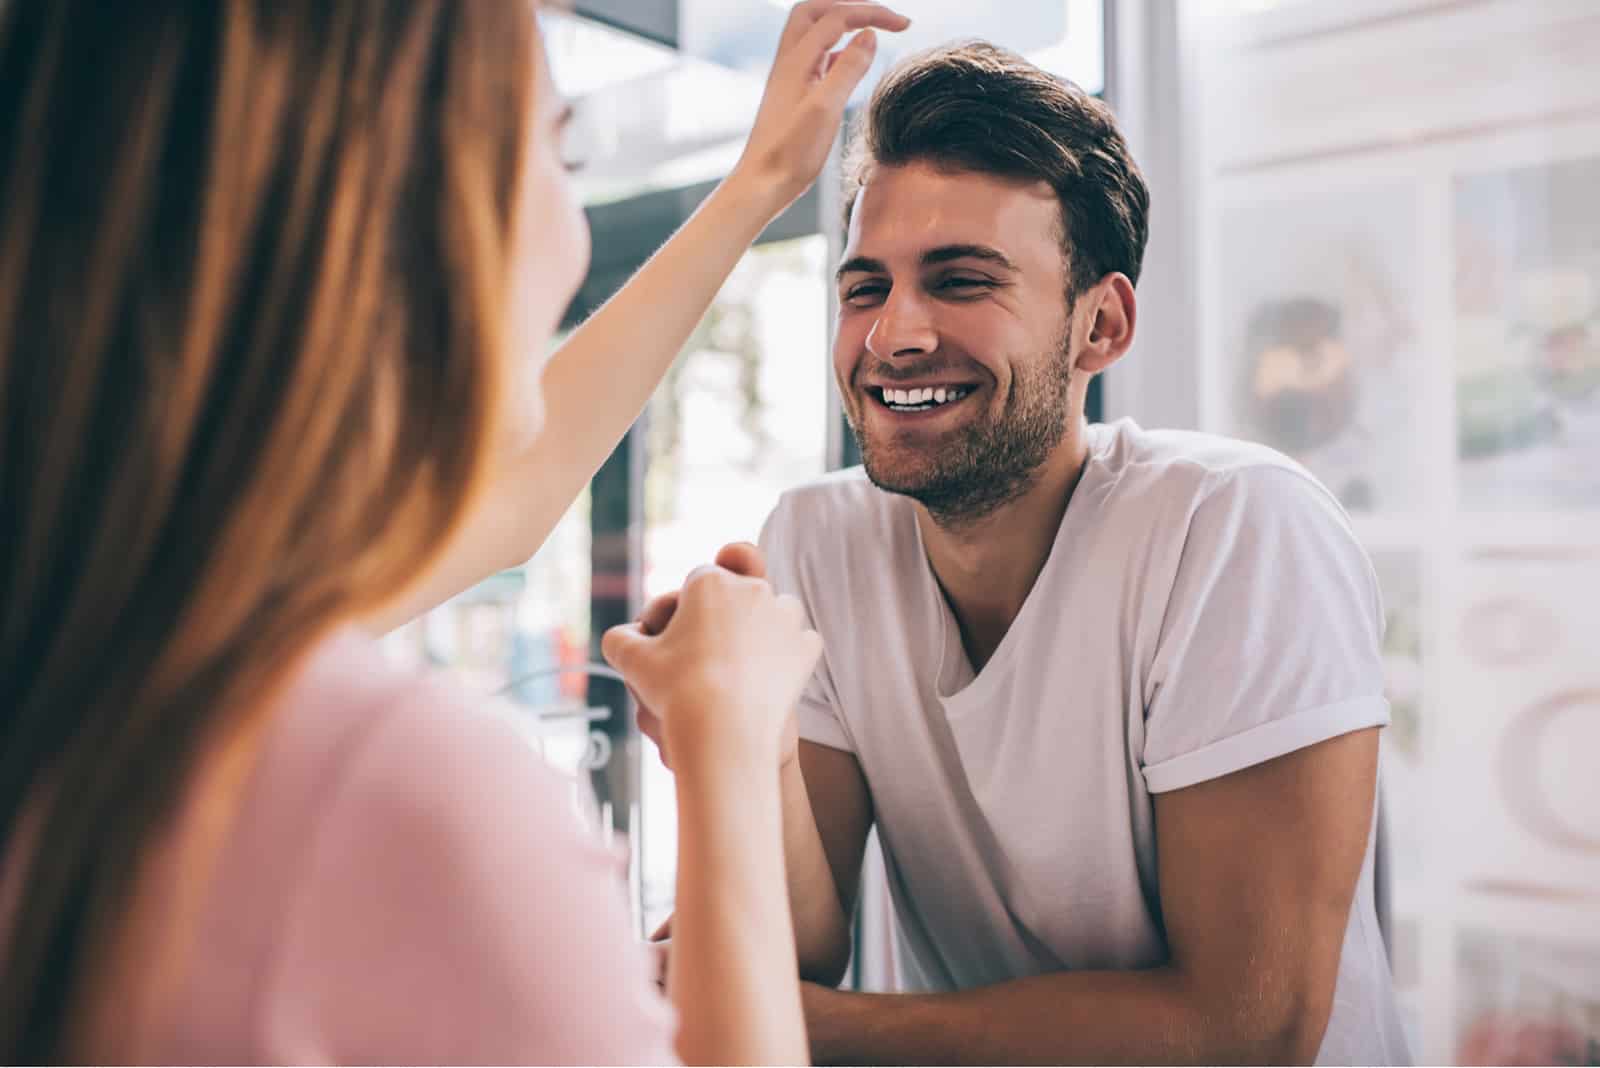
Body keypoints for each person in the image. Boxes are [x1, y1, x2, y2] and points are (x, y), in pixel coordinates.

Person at [0, 0, 907, 1062]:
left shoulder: (88, 654)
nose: (574, 239)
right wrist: (728, 749)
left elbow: (514, 500)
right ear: (414, 212)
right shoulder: (390, 790)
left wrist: (757, 187)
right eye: (558, 152)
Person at [642, 42, 1412, 1065]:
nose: (893, 337)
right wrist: (741, 744)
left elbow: (1243, 1032)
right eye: (864, 288)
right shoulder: (815, 541)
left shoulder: (1234, 528)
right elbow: (797, 946)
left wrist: (803, 1028)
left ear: (1101, 324)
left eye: (960, 280)